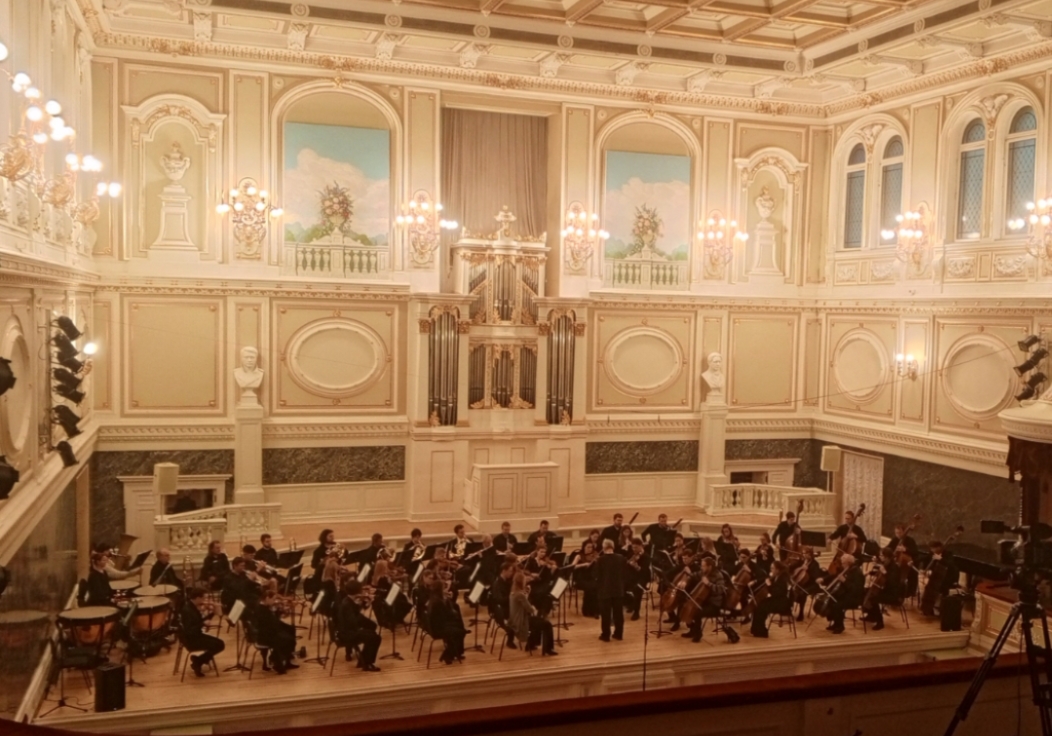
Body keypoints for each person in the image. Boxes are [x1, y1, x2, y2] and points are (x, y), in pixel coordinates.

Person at [683, 557, 739, 644]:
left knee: (696, 613)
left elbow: (721, 589)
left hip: (714, 605)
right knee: (687, 607)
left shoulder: (718, 575)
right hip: (706, 601)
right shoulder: (704, 573)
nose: (701, 568)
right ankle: (693, 630)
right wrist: (685, 581)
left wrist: (708, 584)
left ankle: (698, 634)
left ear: (709, 566)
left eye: (703, 566)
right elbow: (694, 575)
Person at [337, 581, 381, 671]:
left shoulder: (348, 600)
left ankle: (363, 661)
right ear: (357, 591)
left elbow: (356, 616)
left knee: (372, 632)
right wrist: (359, 605)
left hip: (350, 630)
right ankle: (367, 664)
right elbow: (353, 622)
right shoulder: (347, 604)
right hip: (347, 634)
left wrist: (361, 604)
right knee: (375, 638)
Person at [509, 572, 557, 655]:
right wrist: (533, 608)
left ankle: (531, 644)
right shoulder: (520, 595)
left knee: (537, 621)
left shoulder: (512, 593)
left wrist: (527, 594)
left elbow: (523, 604)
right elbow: (530, 610)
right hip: (521, 623)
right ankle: (548, 649)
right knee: (547, 624)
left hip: (515, 621)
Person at [181, 587, 225, 676]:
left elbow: (199, 621)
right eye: (203, 598)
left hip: (196, 635)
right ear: (197, 598)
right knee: (219, 645)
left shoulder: (192, 606)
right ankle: (198, 662)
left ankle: (198, 660)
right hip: (191, 640)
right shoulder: (187, 610)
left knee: (219, 643)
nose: (204, 600)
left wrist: (213, 612)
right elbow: (189, 630)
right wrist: (202, 624)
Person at [253, 589, 298, 674]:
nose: (274, 602)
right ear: (267, 598)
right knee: (289, 640)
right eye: (273, 599)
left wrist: (277, 613)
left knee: (291, 630)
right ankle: (276, 660)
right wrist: (277, 614)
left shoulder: (264, 606)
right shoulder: (261, 610)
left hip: (270, 631)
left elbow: (272, 621)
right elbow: (270, 624)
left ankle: (285, 660)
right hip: (265, 635)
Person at [821, 554, 865, 634]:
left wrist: (844, 581)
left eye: (843, 563)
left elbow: (856, 589)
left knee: (837, 605)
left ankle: (840, 626)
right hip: (845, 595)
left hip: (854, 598)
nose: (842, 564)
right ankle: (835, 623)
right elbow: (834, 576)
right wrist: (823, 579)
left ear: (848, 563)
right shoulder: (846, 569)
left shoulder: (857, 573)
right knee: (831, 601)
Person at [427, 580, 467, 665]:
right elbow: (446, 616)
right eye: (443, 588)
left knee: (459, 628)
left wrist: (447, 599)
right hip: (438, 629)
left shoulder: (435, 598)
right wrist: (449, 603)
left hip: (439, 625)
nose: (444, 590)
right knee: (460, 632)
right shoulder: (437, 602)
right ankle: (448, 655)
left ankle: (456, 653)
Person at [595, 539, 627, 642]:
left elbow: (596, 575)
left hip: (605, 590)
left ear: (603, 548)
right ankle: (618, 634)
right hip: (618, 589)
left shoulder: (600, 560)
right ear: (613, 547)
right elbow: (625, 574)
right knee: (618, 614)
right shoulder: (621, 558)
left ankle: (606, 635)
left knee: (606, 614)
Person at [750, 561, 793, 638]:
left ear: (778, 570)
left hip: (782, 603)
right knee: (759, 604)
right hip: (777, 600)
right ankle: (756, 629)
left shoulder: (783, 578)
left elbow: (776, 593)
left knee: (761, 607)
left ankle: (761, 631)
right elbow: (766, 579)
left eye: (772, 568)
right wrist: (756, 581)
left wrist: (769, 585)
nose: (771, 570)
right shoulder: (777, 576)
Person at [921, 540, 959, 616]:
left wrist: (940, 559)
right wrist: (914, 562)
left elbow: (951, 565)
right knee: (928, 589)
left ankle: (942, 609)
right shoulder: (933, 553)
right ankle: (928, 609)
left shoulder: (948, 554)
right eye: (931, 549)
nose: (932, 550)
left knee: (940, 590)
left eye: (933, 548)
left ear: (938, 547)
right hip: (937, 578)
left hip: (947, 579)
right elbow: (925, 558)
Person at [489, 562, 517, 647]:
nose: (512, 573)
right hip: (500, 610)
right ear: (504, 571)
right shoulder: (497, 584)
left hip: (507, 607)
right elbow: (499, 600)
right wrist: (512, 596)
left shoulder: (507, 581)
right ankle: (512, 638)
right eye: (510, 571)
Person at [624, 538, 651, 621]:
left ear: (641, 546)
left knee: (637, 589)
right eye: (632, 547)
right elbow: (626, 565)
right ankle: (630, 604)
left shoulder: (646, 556)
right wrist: (628, 564)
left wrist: (636, 566)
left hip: (642, 578)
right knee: (621, 586)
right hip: (632, 577)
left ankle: (636, 612)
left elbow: (644, 571)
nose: (634, 549)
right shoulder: (631, 554)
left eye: (636, 547)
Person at [573, 541, 600, 618]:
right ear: (584, 547)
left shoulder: (594, 556)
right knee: (591, 588)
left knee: (596, 587)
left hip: (591, 578)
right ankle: (587, 610)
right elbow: (573, 566)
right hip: (580, 579)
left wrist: (597, 561)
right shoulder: (579, 556)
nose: (590, 549)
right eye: (588, 547)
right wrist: (584, 564)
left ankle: (594, 610)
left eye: (591, 547)